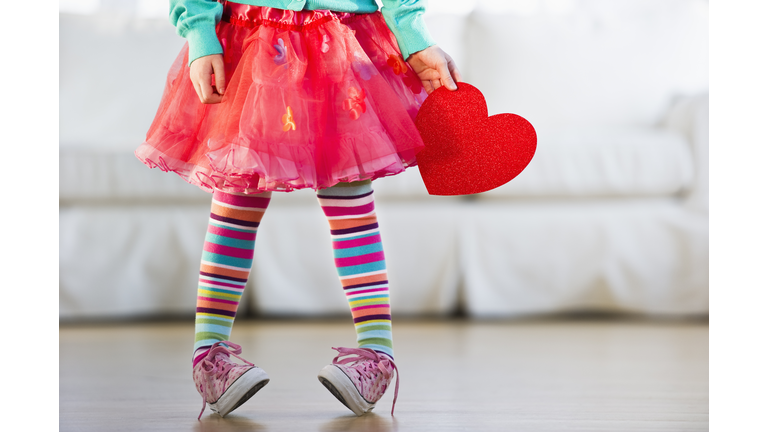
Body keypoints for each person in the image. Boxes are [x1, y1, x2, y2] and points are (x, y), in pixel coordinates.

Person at [135, 0, 462, 420]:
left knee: (352, 208)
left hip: (342, 43)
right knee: (236, 199)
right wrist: (200, 35)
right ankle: (209, 358)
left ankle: (378, 356)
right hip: (252, 40)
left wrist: (415, 39)